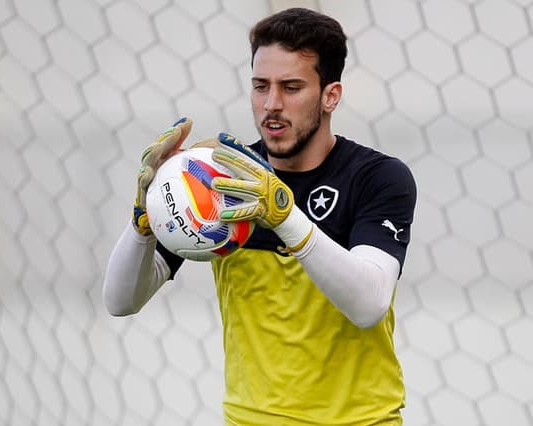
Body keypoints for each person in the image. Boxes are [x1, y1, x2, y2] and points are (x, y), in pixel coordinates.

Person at [104, 7, 417, 426]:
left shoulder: (377, 177)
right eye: (260, 86)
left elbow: (369, 304)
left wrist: (283, 215)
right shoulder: (220, 178)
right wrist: (144, 218)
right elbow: (120, 301)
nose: (272, 104)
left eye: (291, 87)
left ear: (331, 95)